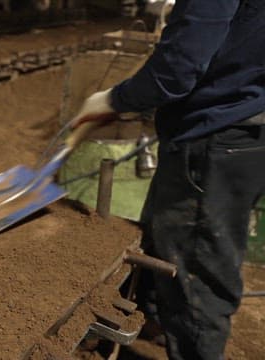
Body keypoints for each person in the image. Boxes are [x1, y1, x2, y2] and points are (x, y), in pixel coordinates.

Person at [71, 0, 265, 359]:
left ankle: (193, 348)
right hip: (250, 121)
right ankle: (156, 322)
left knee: (196, 276)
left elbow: (178, 68)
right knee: (169, 234)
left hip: (215, 134)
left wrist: (114, 99)